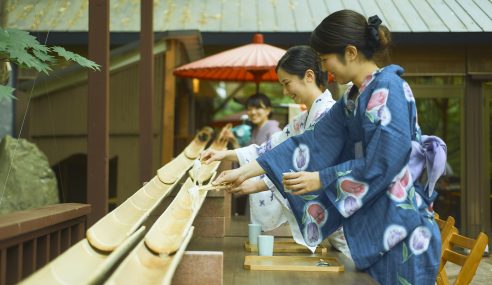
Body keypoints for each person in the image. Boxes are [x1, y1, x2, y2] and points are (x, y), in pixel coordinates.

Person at [212, 10, 444, 285]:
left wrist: (321, 178)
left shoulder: (389, 88)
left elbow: (384, 163)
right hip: (375, 227)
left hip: (403, 228)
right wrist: (245, 171)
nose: (325, 70)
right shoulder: (352, 97)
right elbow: (313, 141)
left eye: (325, 60)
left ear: (350, 52)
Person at [202, 46, 351, 257]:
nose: (285, 92)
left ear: (309, 76)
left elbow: (302, 165)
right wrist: (223, 155)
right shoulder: (302, 120)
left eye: (286, 83)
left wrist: (248, 180)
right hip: (332, 226)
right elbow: (269, 150)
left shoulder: (328, 115)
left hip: (347, 224)